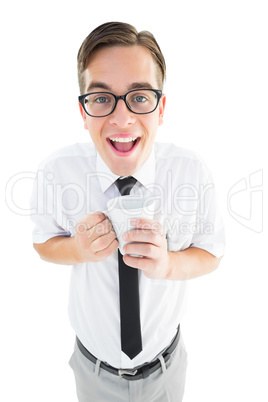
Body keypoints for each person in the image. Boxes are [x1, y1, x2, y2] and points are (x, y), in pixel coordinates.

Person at [30, 21, 225, 402]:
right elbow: (42, 241)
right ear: (83, 111)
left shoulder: (191, 171)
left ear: (161, 108)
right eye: (102, 99)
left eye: (139, 97)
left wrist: (168, 264)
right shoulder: (57, 172)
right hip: (93, 371)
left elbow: (212, 252)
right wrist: (78, 250)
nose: (122, 119)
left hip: (167, 368)